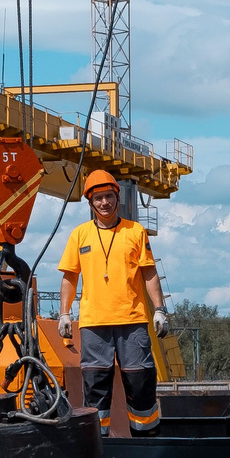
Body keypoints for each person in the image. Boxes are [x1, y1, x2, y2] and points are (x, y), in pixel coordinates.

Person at [55, 167, 168, 434]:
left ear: (117, 198)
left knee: (140, 383)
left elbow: (148, 271)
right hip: (94, 324)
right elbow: (69, 277)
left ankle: (147, 441)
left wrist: (160, 309)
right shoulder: (79, 235)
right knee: (95, 388)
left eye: (108, 196)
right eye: (98, 199)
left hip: (133, 321)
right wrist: (64, 314)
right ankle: (98, 444)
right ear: (90, 203)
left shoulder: (135, 232)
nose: (104, 203)